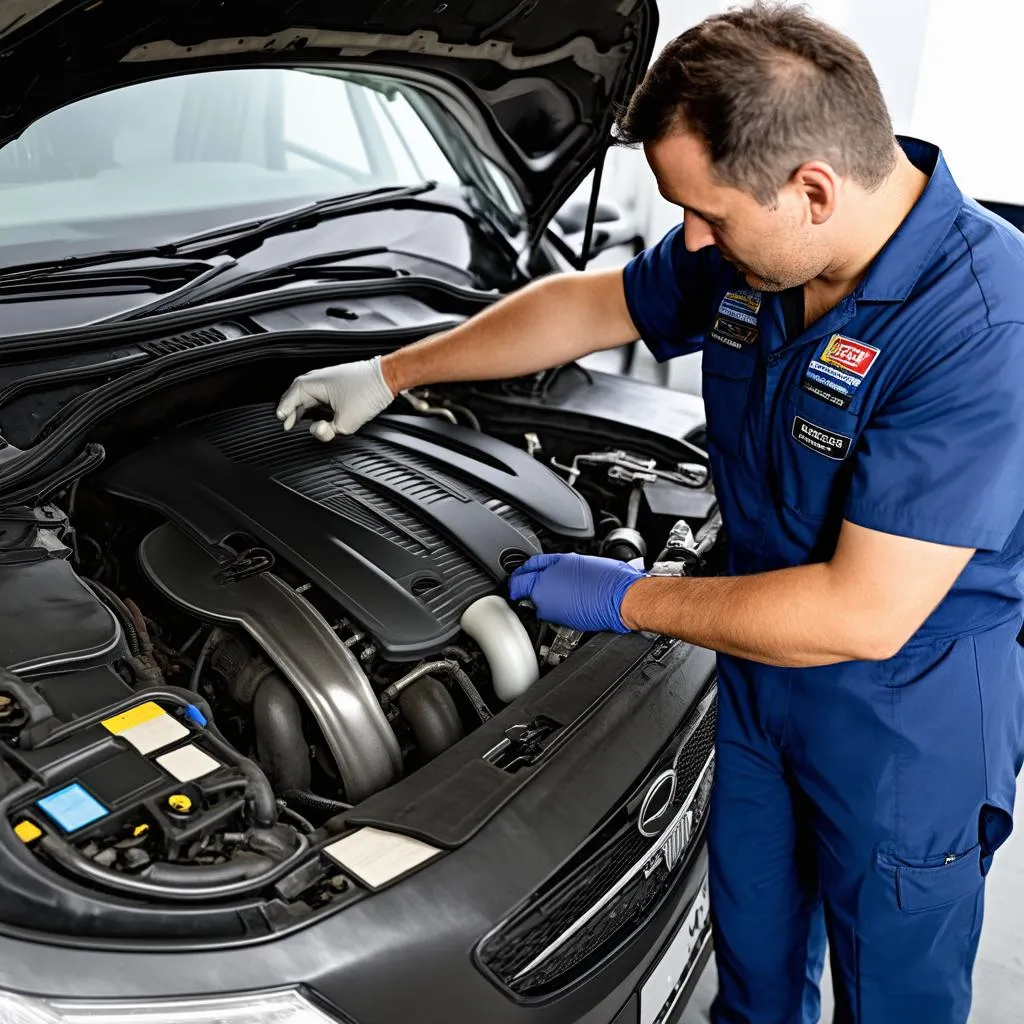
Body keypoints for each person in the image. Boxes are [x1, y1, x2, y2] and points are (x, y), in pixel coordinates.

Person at [275, 3, 1024, 1020]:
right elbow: (593, 305)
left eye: (707, 214)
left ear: (812, 188)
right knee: (753, 965)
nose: (692, 239)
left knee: (892, 997)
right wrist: (392, 369)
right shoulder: (760, 241)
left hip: (907, 711)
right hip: (759, 674)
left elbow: (861, 613)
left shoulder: (981, 323)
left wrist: (629, 599)